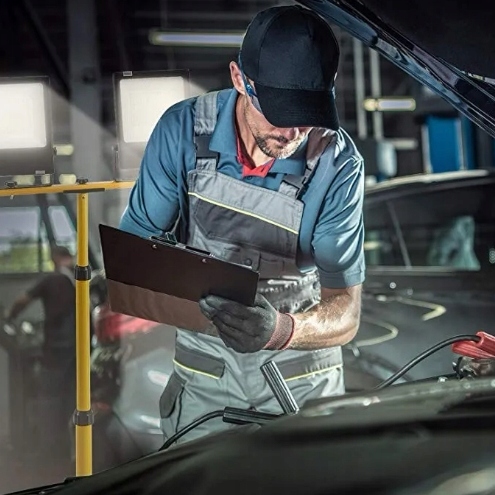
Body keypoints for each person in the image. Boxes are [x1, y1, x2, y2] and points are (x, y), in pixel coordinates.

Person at [119, 5, 365, 444]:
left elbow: (346, 312)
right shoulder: (183, 130)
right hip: (205, 377)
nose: (292, 133)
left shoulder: (337, 164)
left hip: (299, 379)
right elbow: (134, 263)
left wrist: (282, 331)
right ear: (239, 79)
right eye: (279, 112)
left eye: (306, 113)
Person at [5, 245, 77, 460]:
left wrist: (8, 317)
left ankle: (47, 449)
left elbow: (22, 301)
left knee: (48, 395)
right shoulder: (78, 279)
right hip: (78, 349)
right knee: (70, 396)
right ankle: (68, 447)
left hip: (56, 349)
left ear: (54, 258)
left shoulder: (52, 279)